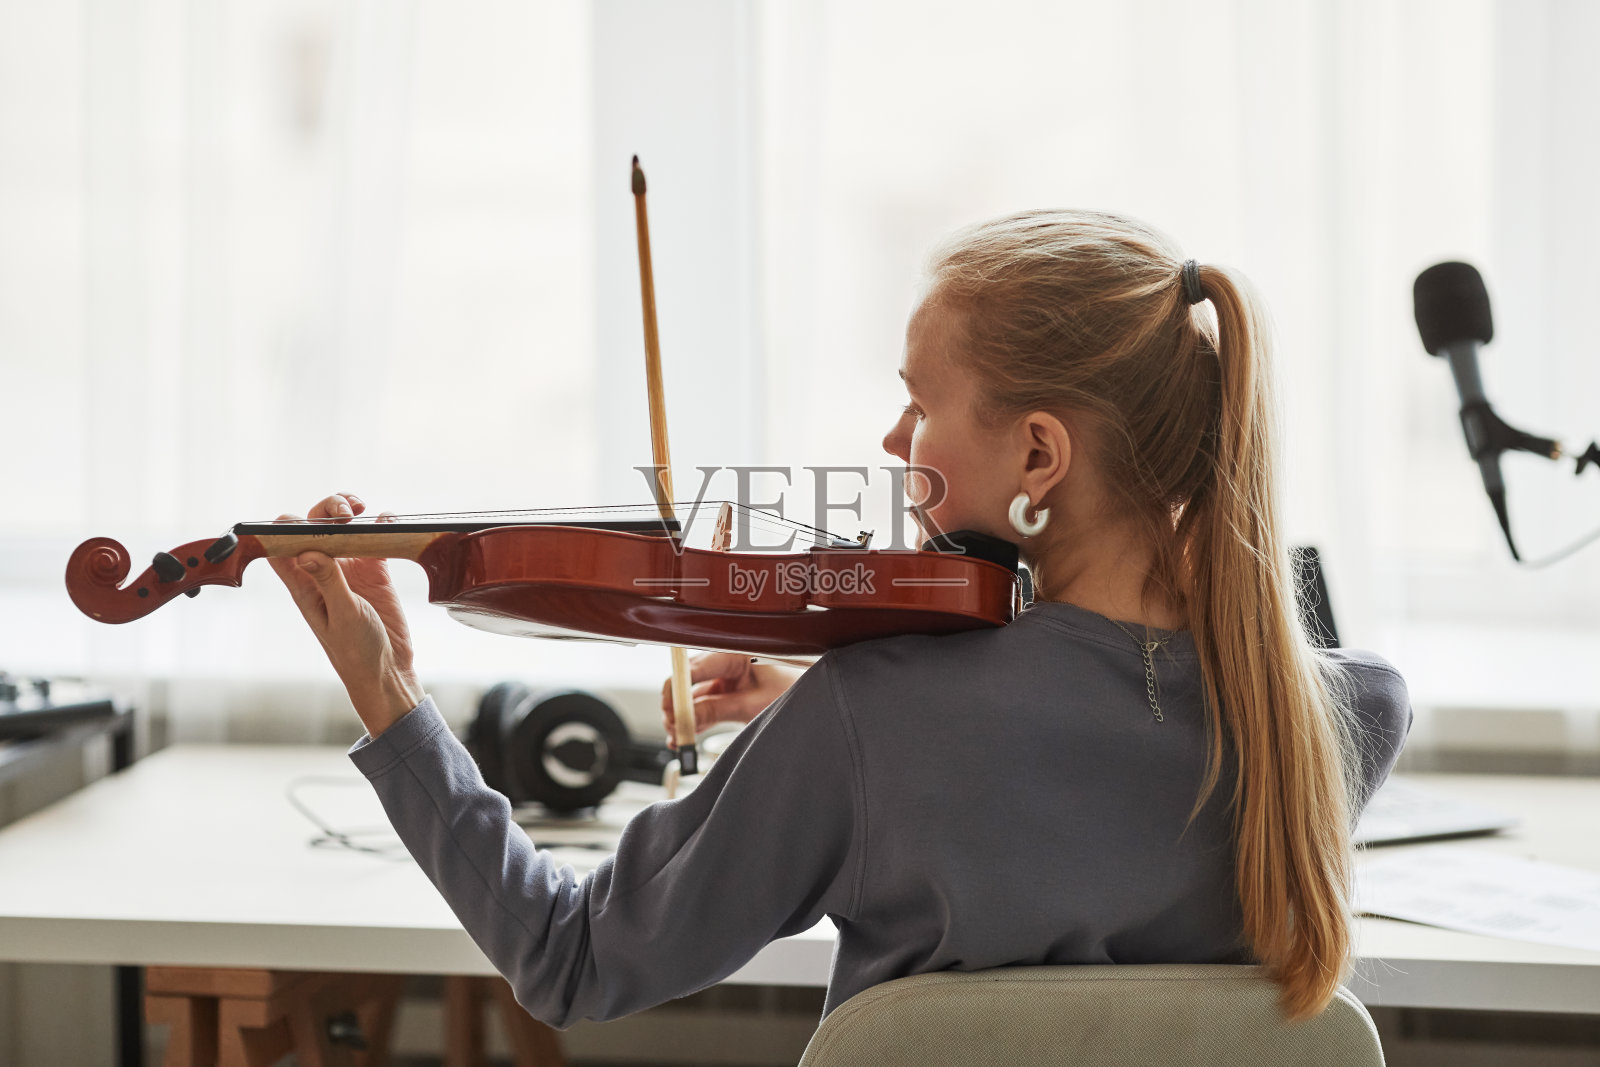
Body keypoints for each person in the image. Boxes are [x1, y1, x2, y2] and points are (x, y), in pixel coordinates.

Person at [271, 209, 1411, 1028]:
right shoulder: (1346, 714)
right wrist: (842, 735)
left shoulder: (881, 716)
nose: (890, 442)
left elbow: (569, 962)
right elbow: (1082, 739)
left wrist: (388, 687)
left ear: (1037, 453)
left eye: (917, 403)